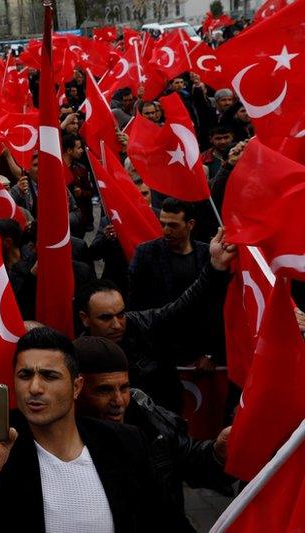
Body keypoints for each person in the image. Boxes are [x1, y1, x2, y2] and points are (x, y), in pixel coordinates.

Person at [0, 327, 175, 530]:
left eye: (49, 376)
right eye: (25, 375)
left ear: (77, 386)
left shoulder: (124, 442)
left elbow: (164, 520)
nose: (35, 388)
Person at [72, 337, 233, 532]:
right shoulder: (62, 444)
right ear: (76, 389)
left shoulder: (146, 417)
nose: (119, 401)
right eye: (103, 390)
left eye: (123, 388)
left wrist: (217, 451)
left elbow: (190, 459)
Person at [77, 228, 235, 411]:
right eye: (105, 318)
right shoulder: (79, 357)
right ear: (85, 319)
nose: (116, 324)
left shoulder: (139, 325)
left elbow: (182, 307)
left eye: (120, 314)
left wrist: (215, 266)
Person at [128, 198, 209, 310]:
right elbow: (134, 298)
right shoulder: (146, 253)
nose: (166, 231)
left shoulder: (206, 253)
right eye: (163, 224)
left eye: (173, 225)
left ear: (190, 224)